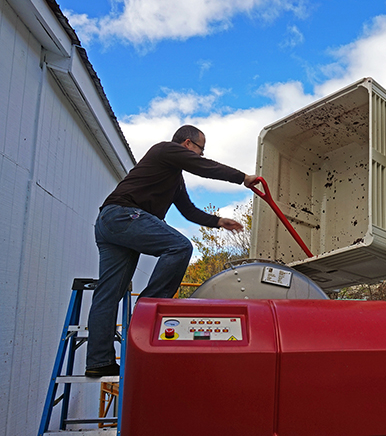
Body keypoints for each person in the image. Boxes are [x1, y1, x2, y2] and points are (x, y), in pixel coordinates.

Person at [85, 125, 257, 377]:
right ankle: (149, 307)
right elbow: (205, 167)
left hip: (111, 224)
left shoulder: (173, 177)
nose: (199, 155)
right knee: (179, 246)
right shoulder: (165, 150)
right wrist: (242, 178)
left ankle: (99, 361)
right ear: (187, 144)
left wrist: (218, 221)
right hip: (123, 215)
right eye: (200, 149)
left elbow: (188, 210)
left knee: (109, 293)